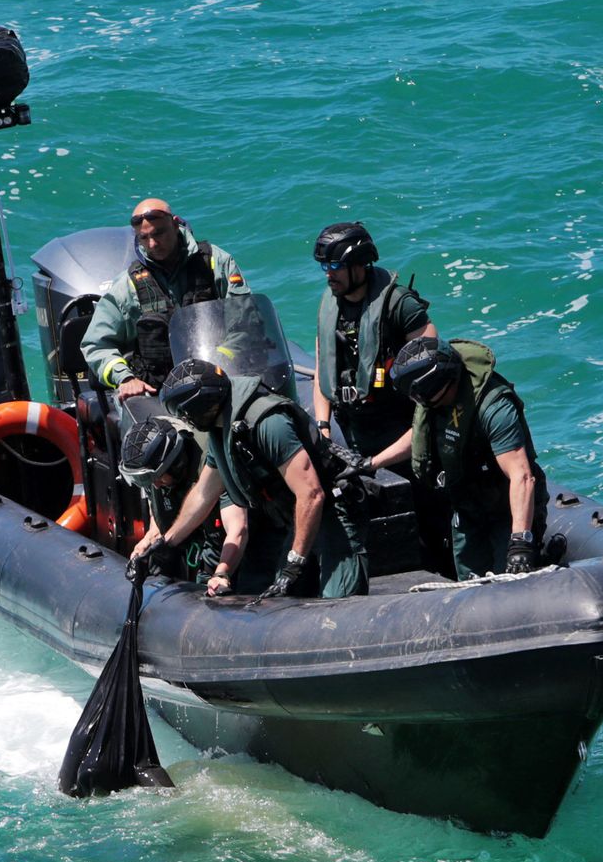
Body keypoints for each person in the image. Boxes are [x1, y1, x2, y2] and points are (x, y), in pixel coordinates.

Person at [130, 359, 367, 600]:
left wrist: (294, 563)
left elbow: (312, 494)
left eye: (184, 412)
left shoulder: (267, 423)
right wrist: (166, 544)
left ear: (201, 406)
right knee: (284, 599)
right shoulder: (221, 429)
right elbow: (204, 493)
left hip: (331, 513)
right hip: (294, 517)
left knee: (337, 600)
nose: (185, 419)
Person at [309, 220, 449, 572]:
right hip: (355, 432)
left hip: (404, 431)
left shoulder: (400, 307)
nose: (329, 275)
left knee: (431, 521)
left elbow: (433, 386)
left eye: (336, 266)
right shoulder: (331, 306)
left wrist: (384, 457)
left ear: (360, 264)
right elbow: (323, 370)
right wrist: (323, 428)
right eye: (325, 267)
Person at [385, 337, 548, 580]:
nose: (415, 401)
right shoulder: (437, 405)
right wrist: (371, 463)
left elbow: (521, 475)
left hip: (505, 509)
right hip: (468, 507)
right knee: (471, 583)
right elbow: (418, 436)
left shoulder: (494, 407)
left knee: (511, 582)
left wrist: (520, 542)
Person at [80, 198, 252, 405]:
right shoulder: (127, 286)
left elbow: (245, 320)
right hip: (159, 394)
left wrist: (223, 357)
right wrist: (125, 377)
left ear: (175, 223)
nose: (152, 244)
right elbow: (96, 344)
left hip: (224, 378)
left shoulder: (216, 263)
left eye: (158, 233)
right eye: (144, 238)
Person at [118, 415, 234, 588]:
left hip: (230, 550)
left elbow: (238, 530)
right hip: (187, 547)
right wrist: (150, 539)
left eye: (156, 478)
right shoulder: (153, 475)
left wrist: (221, 573)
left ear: (176, 464)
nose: (155, 485)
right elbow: (156, 506)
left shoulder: (210, 465)